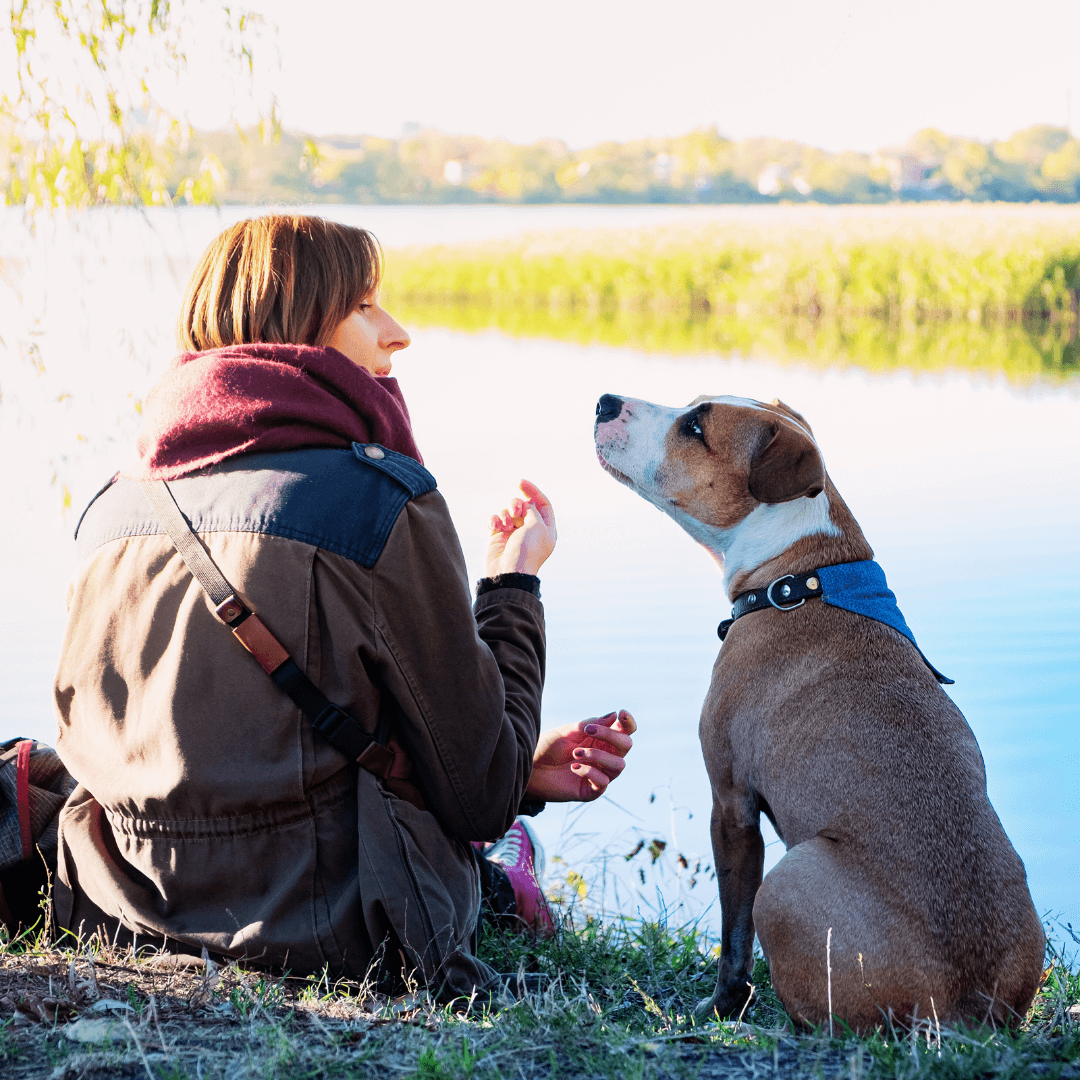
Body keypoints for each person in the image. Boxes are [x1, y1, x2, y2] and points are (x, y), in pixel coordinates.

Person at [52, 214, 635, 1001]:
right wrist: (512, 586)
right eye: (364, 306)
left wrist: (522, 771)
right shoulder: (378, 501)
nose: (398, 335)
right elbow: (483, 796)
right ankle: (508, 889)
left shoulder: (111, 511)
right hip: (333, 929)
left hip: (119, 909)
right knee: (501, 836)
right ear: (291, 326)